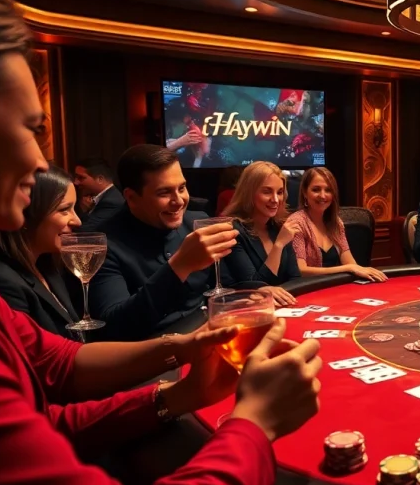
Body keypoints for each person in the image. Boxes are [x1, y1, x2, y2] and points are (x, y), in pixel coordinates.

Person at [0, 0, 322, 485]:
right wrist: (252, 423)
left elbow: (59, 370)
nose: (40, 160)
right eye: (31, 128)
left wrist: (185, 369)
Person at [90, 144, 238, 340]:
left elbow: (224, 287)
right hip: (152, 356)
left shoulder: (197, 222)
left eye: (182, 188)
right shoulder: (102, 243)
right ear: (132, 197)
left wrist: (257, 289)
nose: (179, 201)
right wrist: (178, 267)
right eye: (164, 193)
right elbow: (115, 325)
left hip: (206, 336)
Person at [0, 165, 81, 335]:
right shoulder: (1, 280)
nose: (77, 221)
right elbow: (35, 358)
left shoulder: (46, 264)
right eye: (64, 209)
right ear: (25, 214)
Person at [286, 167, 386, 281]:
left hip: (335, 288)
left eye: (328, 190)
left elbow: (349, 262)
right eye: (316, 189)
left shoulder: (336, 222)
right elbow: (301, 270)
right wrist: (347, 268)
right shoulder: (297, 223)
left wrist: (359, 269)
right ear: (305, 192)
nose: (323, 195)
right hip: (308, 290)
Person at [221, 161, 302, 303]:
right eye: (267, 191)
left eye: (280, 192)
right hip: (249, 311)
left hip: (283, 306)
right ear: (249, 193)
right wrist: (279, 245)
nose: (275, 199)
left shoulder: (278, 227)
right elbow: (256, 287)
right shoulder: (233, 231)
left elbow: (295, 279)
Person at [72, 156, 123, 232]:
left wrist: (85, 211)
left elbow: (85, 232)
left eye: (81, 178)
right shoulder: (105, 197)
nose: (76, 182)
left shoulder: (111, 202)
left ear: (100, 179)